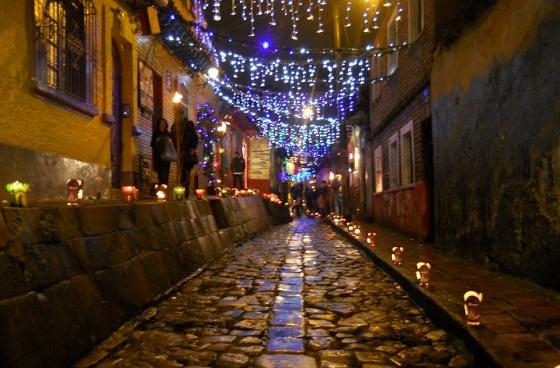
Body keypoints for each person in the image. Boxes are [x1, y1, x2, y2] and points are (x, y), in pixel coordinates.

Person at [173, 118, 199, 193]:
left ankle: (185, 191)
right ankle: (181, 190)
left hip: (187, 152)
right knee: (181, 172)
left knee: (186, 172)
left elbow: (194, 137)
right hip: (179, 152)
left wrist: (192, 148)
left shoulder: (189, 124)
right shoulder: (175, 126)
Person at [151, 118, 172, 186]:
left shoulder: (168, 134)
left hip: (166, 156)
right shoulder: (156, 134)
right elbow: (152, 144)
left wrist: (168, 140)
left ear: (166, 125)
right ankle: (160, 186)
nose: (162, 125)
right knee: (159, 171)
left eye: (164, 123)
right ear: (158, 125)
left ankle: (164, 186)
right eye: (161, 123)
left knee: (165, 172)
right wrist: (157, 141)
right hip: (158, 155)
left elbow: (172, 144)